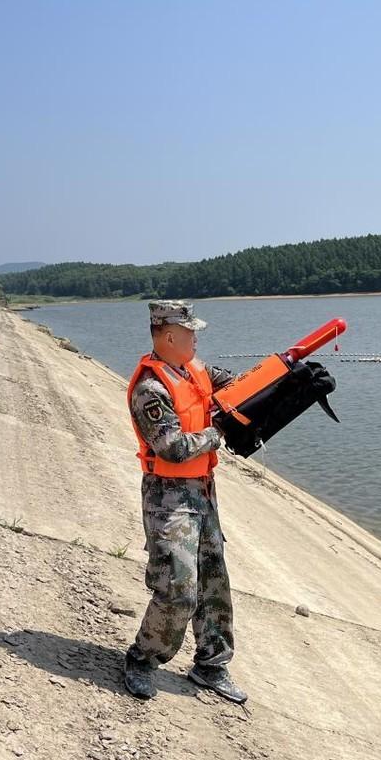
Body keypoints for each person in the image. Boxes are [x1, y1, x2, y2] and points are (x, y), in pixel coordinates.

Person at [122, 300, 247, 703]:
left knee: (213, 580)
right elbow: (173, 448)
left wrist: (270, 382)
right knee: (177, 586)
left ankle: (212, 665)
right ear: (169, 336)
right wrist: (218, 431)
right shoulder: (150, 389)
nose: (197, 338)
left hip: (203, 491)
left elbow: (231, 383)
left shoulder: (195, 369)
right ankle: (143, 659)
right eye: (191, 332)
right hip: (168, 498)